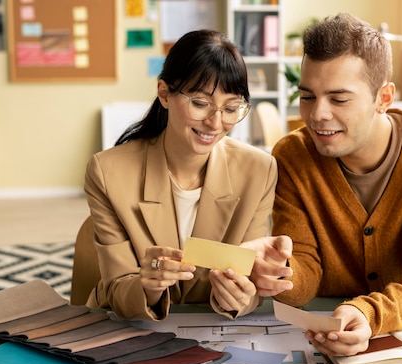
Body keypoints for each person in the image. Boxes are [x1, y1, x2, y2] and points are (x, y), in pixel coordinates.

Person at [249, 14, 402, 357]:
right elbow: (305, 270)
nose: (317, 115)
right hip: (324, 330)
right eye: (308, 96)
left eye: (338, 99)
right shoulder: (293, 154)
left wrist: (367, 313)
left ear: (383, 97)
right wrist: (279, 271)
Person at [84, 29, 278, 321]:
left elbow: (247, 279)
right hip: (131, 331)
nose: (215, 123)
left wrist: (241, 296)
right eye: (200, 103)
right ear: (164, 93)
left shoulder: (259, 171)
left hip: (215, 331)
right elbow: (116, 287)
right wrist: (146, 287)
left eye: (231, 108)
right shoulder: (108, 172)